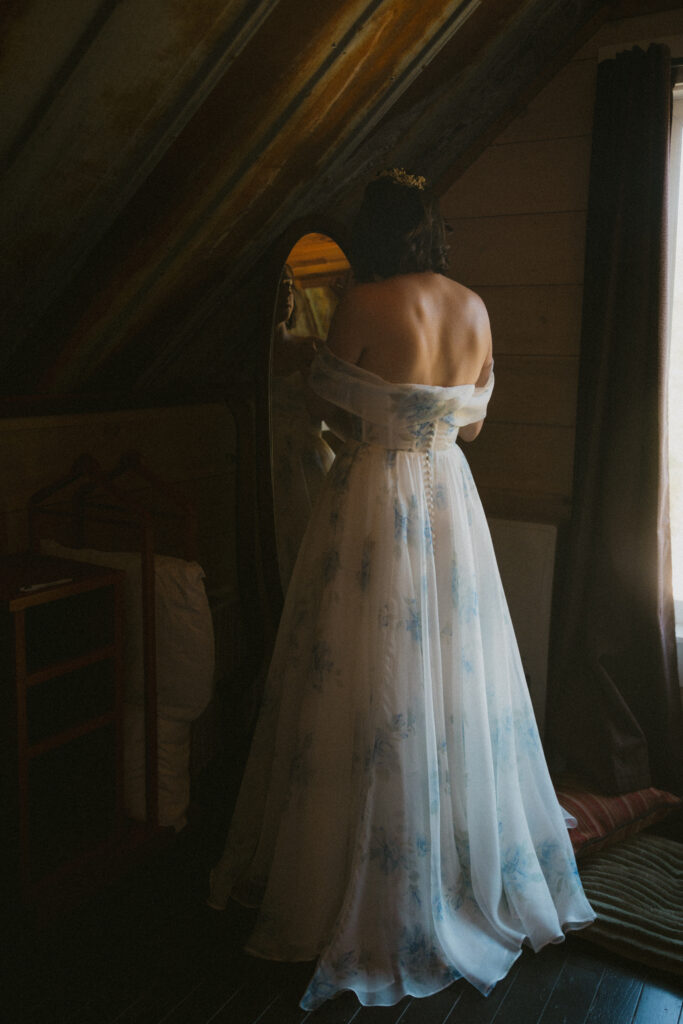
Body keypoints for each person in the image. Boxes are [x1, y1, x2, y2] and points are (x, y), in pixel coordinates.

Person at [208, 168, 595, 1010]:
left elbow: (328, 409)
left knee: (364, 665)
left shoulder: (364, 303)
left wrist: (363, 400)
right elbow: (474, 422)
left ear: (374, 235)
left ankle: (368, 860)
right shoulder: (474, 306)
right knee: (454, 668)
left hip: (376, 497)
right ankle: (456, 854)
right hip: (450, 493)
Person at [270, 264, 336, 591]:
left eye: (289, 285)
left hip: (309, 459)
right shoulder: (251, 358)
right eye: (278, 286)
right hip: (270, 464)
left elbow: (330, 411)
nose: (287, 294)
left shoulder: (312, 348)